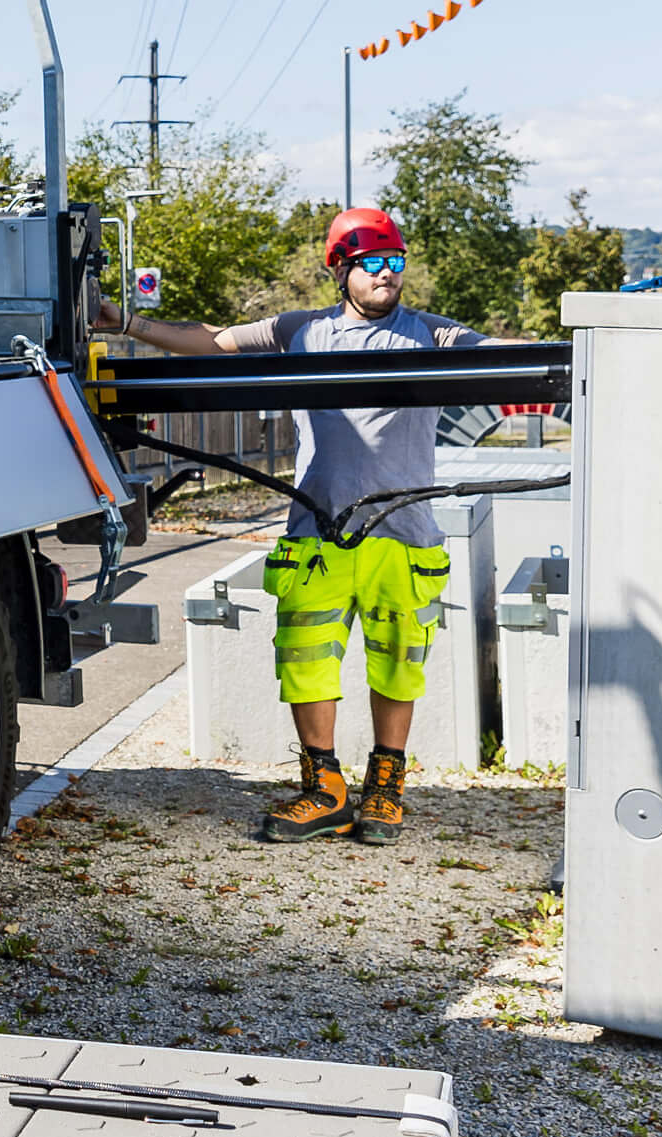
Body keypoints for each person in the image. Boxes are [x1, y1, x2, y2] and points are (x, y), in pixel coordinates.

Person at [93, 205, 487, 845]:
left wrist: (586, 351)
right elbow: (213, 342)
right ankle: (323, 788)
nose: (387, 274)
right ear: (341, 269)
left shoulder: (429, 334)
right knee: (306, 662)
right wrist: (127, 322)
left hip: (403, 535)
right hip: (318, 532)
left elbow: (496, 352)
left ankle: (385, 787)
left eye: (395, 262)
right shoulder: (302, 330)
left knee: (398, 665)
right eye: (372, 263)